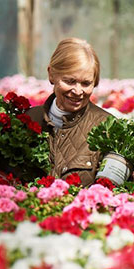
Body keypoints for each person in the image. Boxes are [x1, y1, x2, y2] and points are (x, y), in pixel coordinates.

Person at [24, 37, 113, 185]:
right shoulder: (29, 119)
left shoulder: (107, 127)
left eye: (86, 83)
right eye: (70, 81)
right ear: (51, 74)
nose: (78, 91)